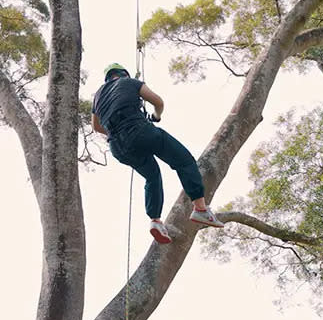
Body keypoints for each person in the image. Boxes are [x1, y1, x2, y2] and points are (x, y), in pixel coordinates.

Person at [91, 63, 224, 244]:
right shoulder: (129, 82)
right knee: (184, 160)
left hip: (118, 146)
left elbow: (96, 126)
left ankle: (155, 221)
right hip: (139, 129)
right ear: (123, 74)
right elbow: (158, 102)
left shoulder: (98, 97)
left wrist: (118, 133)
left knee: (152, 176)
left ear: (107, 78)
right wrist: (156, 117)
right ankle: (200, 208)